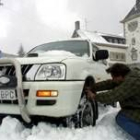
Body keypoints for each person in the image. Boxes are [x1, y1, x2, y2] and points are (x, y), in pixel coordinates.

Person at [85, 63, 140, 140]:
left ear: (120, 76)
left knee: (122, 118)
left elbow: (113, 95)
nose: (113, 80)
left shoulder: (132, 82)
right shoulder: (128, 76)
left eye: (114, 77)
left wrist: (94, 96)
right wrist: (92, 87)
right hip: (136, 106)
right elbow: (109, 83)